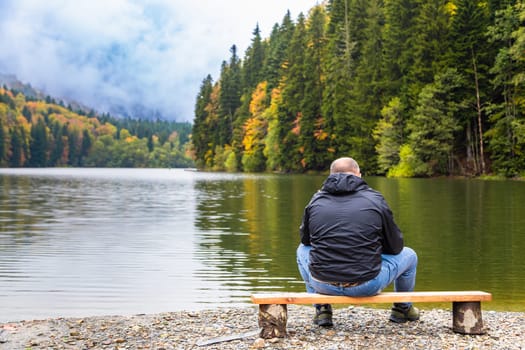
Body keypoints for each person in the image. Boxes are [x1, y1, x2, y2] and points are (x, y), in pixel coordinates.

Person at [296, 157, 419, 327]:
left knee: (301, 250)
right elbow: (395, 247)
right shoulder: (375, 199)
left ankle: (322, 308)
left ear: (330, 175)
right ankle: (402, 309)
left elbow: (306, 241)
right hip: (366, 285)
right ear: (358, 175)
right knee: (410, 255)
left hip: (322, 283)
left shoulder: (316, 200)